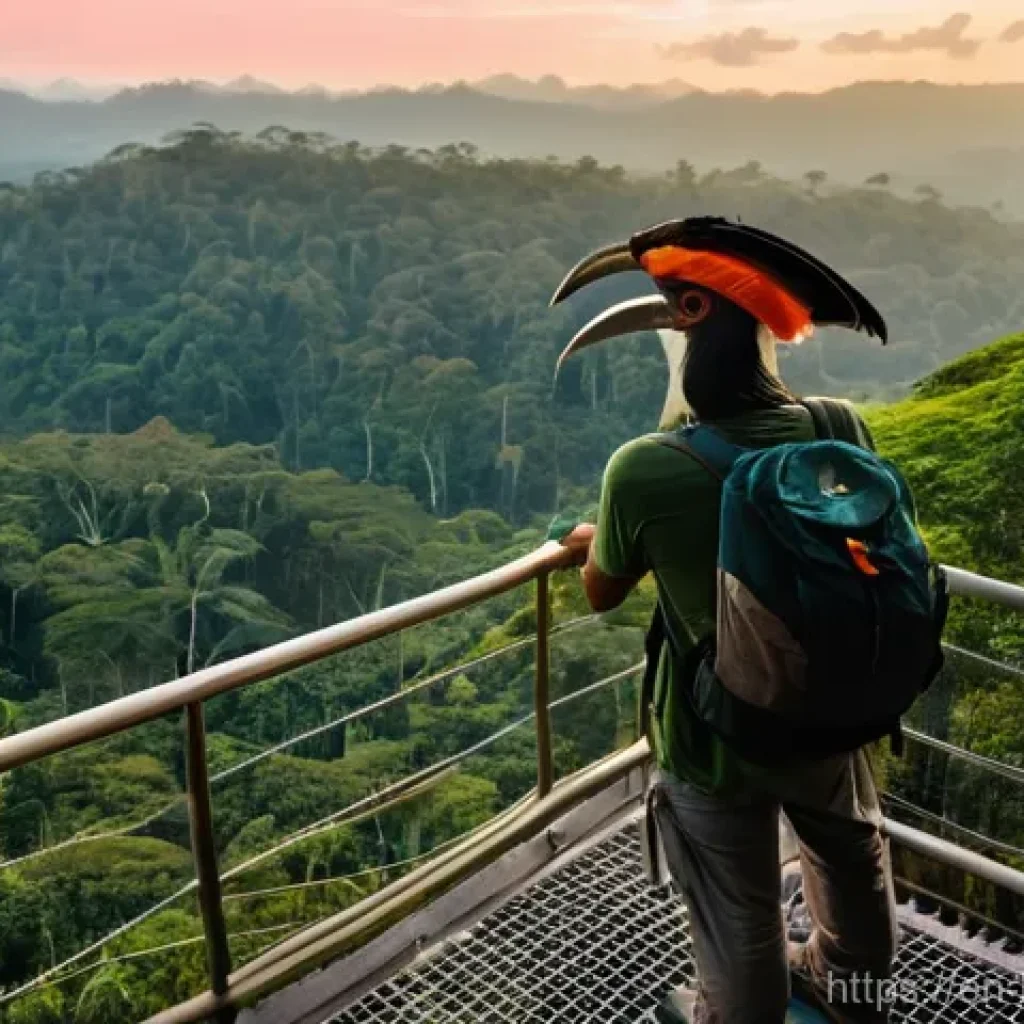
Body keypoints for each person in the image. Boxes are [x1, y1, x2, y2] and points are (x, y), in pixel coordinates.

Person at [549, 218, 901, 1024]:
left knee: (740, 910)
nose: (665, 314)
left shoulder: (645, 466)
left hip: (712, 730)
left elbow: (602, 592)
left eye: (680, 306)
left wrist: (600, 539)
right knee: (850, 858)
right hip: (833, 703)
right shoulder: (838, 426)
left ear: (706, 329)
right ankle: (850, 995)